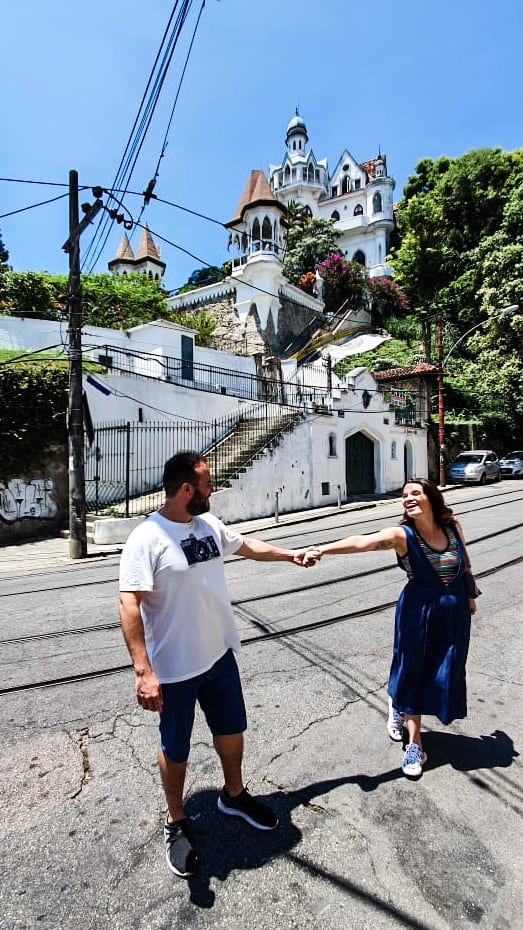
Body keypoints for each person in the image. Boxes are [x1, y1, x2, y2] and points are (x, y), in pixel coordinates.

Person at [118, 451, 312, 878]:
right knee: (176, 746)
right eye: (207, 483)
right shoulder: (147, 537)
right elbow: (128, 602)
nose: (212, 489)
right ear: (187, 488)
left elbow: (247, 546)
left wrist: (290, 555)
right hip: (174, 669)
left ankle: (234, 795)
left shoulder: (208, 525)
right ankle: (176, 820)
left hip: (219, 656)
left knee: (231, 732)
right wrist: (143, 671)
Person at [302, 478, 477, 780]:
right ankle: (415, 743)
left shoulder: (452, 527)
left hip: (454, 613)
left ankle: (398, 701)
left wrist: (470, 595)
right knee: (415, 671)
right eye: (404, 495)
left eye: (415, 493)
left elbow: (465, 564)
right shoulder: (402, 535)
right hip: (419, 612)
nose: (407, 498)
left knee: (445, 671)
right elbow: (363, 541)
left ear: (431, 498)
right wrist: (324, 549)